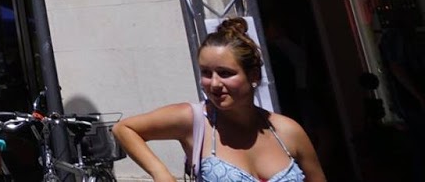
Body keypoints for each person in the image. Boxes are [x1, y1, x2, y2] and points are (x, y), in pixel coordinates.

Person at [113, 17, 327, 182]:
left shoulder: (287, 131)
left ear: (253, 76)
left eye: (225, 73)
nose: (214, 83)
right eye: (206, 73)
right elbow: (124, 129)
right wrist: (160, 173)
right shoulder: (194, 120)